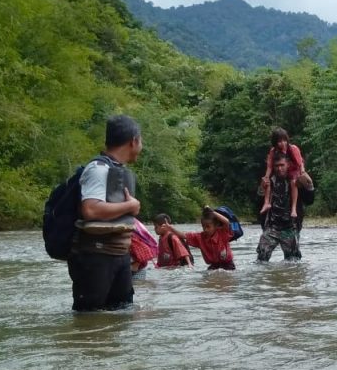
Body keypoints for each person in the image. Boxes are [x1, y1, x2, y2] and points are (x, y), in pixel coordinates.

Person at [68, 114, 143, 312]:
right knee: (89, 320)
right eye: (141, 141)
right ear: (133, 141)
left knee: (121, 314)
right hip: (96, 257)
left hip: (118, 255)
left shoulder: (116, 169)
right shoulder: (98, 168)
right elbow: (91, 209)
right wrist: (131, 206)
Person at [257, 154, 301, 262]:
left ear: (288, 165)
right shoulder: (270, 180)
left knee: (293, 260)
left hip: (290, 226)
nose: (279, 168)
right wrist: (262, 187)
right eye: (276, 166)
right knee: (262, 257)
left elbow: (310, 198)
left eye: (282, 165)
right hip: (272, 226)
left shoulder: (295, 180)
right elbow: (258, 200)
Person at [160, 207, 234, 270]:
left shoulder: (222, 234)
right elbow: (184, 235)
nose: (205, 229)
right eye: (203, 226)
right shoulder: (199, 237)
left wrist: (213, 212)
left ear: (216, 225)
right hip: (213, 266)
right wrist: (170, 228)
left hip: (228, 265)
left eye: (208, 226)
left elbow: (227, 222)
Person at [260, 127, 306, 217]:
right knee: (267, 181)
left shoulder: (293, 148)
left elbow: (300, 163)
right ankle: (266, 203)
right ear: (275, 142)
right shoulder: (273, 151)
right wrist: (266, 177)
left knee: (293, 182)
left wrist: (302, 173)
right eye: (279, 141)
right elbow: (269, 166)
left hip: (293, 170)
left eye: (284, 140)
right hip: (279, 171)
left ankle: (293, 209)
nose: (283, 143)